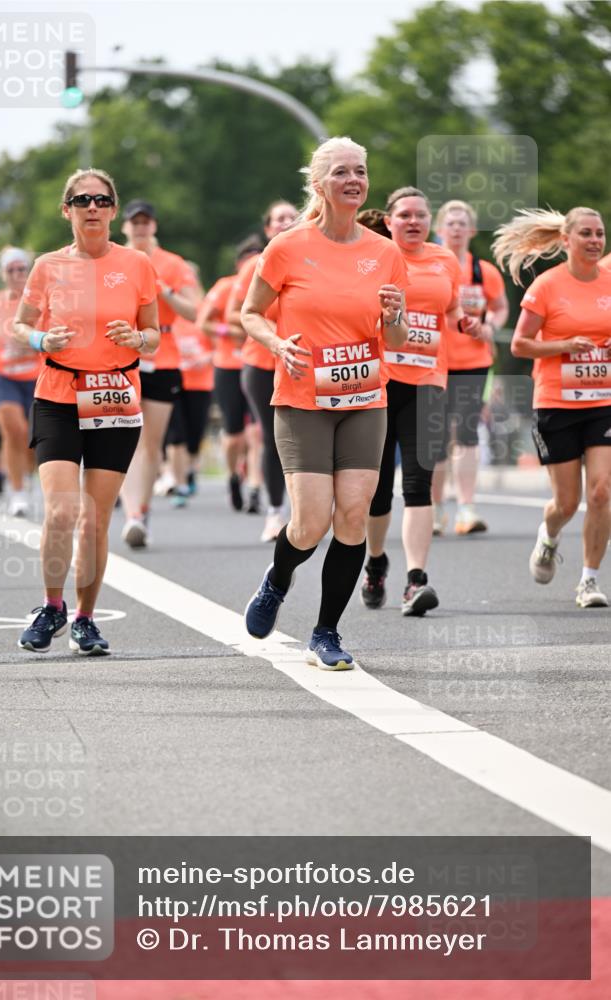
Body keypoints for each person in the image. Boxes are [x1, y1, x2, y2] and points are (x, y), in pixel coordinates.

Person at [242, 137, 408, 669]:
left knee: (354, 513)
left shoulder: (384, 252)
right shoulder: (288, 246)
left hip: (364, 398)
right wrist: (275, 343)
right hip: (302, 398)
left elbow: (399, 342)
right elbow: (250, 313)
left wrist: (396, 316)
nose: (353, 180)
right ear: (320, 185)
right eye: (341, 172)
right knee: (310, 522)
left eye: (360, 171)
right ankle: (277, 578)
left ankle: (326, 633)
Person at [13, 168, 159, 654]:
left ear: (114, 210)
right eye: (81, 200)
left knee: (94, 519)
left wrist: (138, 339)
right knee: (61, 510)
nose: (92, 207)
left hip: (114, 396)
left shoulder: (136, 264)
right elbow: (19, 325)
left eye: (101, 199)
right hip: (57, 394)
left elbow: (154, 333)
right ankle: (51, 606)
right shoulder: (48, 265)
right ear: (67, 210)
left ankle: (84, 619)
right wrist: (40, 338)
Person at [361, 188, 482, 615]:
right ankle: (376, 562)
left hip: (429, 381)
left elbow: (449, 309)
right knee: (376, 491)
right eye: (405, 215)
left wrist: (467, 323)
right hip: (378, 381)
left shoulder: (444, 260)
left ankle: (416, 582)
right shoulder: (371, 255)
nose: (413, 222)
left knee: (418, 481)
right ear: (390, 221)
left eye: (420, 215)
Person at [493, 206, 611, 607]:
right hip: (556, 402)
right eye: (586, 234)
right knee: (567, 502)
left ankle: (589, 580)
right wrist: (565, 345)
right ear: (567, 240)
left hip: (603, 400)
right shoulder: (547, 286)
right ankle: (549, 537)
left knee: (601, 492)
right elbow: (519, 344)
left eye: (599, 234)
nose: (595, 241)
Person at [119, 200, 199, 548]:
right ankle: (131, 515)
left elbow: (195, 311)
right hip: (121, 357)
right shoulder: (114, 259)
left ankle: (141, 509)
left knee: (151, 444)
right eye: (134, 222)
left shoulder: (174, 264)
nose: (140, 227)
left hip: (162, 355)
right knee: (124, 440)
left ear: (154, 226)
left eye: (146, 222)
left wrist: (163, 288)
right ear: (124, 226)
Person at [430, 200, 509, 535]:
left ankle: (466, 509)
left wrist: (491, 324)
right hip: (433, 362)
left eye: (463, 223)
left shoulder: (483, 271)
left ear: (472, 230)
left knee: (465, 435)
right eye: (451, 222)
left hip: (473, 362)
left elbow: (501, 307)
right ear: (440, 228)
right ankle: (433, 511)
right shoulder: (429, 266)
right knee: (434, 441)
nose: (457, 228)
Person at [227, 201, 299, 541]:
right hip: (261, 362)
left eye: (291, 217)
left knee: (310, 439)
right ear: (268, 229)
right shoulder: (255, 265)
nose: (285, 222)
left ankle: (309, 512)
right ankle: (275, 512)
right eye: (278, 218)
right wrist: (273, 326)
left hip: (308, 361)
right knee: (273, 438)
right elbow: (234, 313)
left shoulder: (314, 259)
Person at [198, 236, 264, 515]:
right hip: (228, 365)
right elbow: (203, 323)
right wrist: (231, 332)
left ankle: (254, 489)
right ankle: (233, 475)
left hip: (258, 365)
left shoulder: (269, 289)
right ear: (240, 264)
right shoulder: (226, 287)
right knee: (234, 434)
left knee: (257, 432)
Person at [0, 246, 40, 516]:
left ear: (28, 271)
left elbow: (52, 333)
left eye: (21, 269)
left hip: (35, 375)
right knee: (12, 430)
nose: (17, 274)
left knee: (31, 435)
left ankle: (28, 474)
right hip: (1, 375)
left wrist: (33, 342)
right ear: (3, 274)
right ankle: (17, 492)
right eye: (11, 270)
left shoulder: (40, 301)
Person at [165, 311, 214, 506]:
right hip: (173, 384)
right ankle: (180, 484)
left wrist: (205, 358)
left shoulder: (201, 320)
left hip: (200, 385)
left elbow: (219, 349)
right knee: (177, 436)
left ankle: (190, 469)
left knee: (194, 436)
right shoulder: (168, 323)